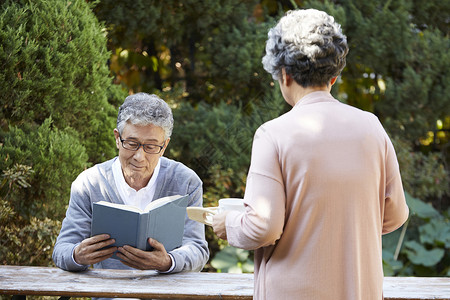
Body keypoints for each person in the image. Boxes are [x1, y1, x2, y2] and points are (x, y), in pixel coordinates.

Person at [212, 9, 409, 300]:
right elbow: (395, 214)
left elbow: (262, 228)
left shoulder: (273, 134)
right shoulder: (372, 127)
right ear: (333, 76)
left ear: (284, 74)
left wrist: (226, 223)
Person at [53, 93, 209, 274]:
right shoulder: (90, 183)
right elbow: (61, 250)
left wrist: (168, 262)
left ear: (164, 146)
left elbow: (198, 249)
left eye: (151, 146)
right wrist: (77, 255)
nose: (139, 157)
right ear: (117, 138)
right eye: (132, 143)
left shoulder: (186, 182)